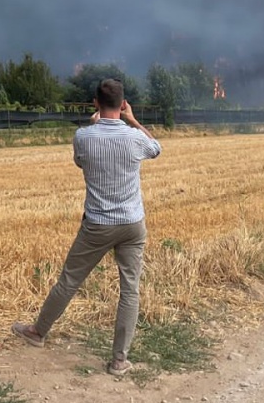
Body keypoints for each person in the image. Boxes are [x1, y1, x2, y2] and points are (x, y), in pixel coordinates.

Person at [12, 79, 162, 376]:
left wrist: (95, 125)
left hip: (97, 223)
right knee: (130, 290)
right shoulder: (134, 139)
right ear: (122, 103)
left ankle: (38, 332)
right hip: (132, 222)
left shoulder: (83, 136)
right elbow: (156, 148)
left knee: (69, 280)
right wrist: (132, 120)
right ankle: (119, 360)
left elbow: (81, 163)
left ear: (95, 102)